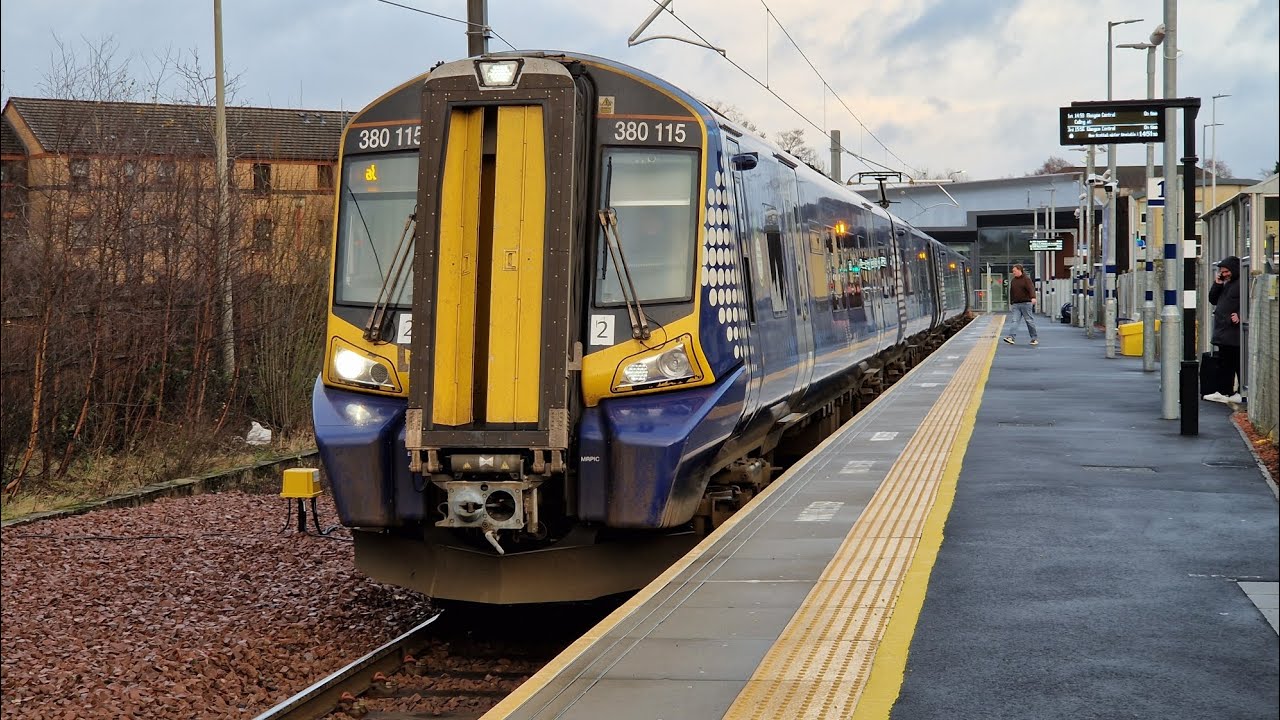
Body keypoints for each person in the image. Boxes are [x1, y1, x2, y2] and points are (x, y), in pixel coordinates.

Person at [1203, 255, 1242, 404]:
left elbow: (1248, 302)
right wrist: (1217, 283)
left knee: (1232, 362)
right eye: (1222, 272)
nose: (1223, 274)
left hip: (1232, 331)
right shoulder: (1227, 284)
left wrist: (1239, 315)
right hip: (1224, 331)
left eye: (1226, 271)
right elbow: (1213, 299)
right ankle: (1226, 391)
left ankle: (1228, 391)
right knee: (1226, 362)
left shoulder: (1240, 285)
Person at [1002, 264, 1038, 346]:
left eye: (1014, 271)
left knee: (1029, 321)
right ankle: (1011, 337)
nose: (1013, 272)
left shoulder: (1026, 279)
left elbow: (1031, 288)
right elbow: (1011, 291)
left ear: (1019, 270)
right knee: (1015, 320)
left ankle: (1034, 338)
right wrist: (1011, 302)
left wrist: (1033, 297)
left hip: (1026, 303)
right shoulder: (1013, 281)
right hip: (1016, 304)